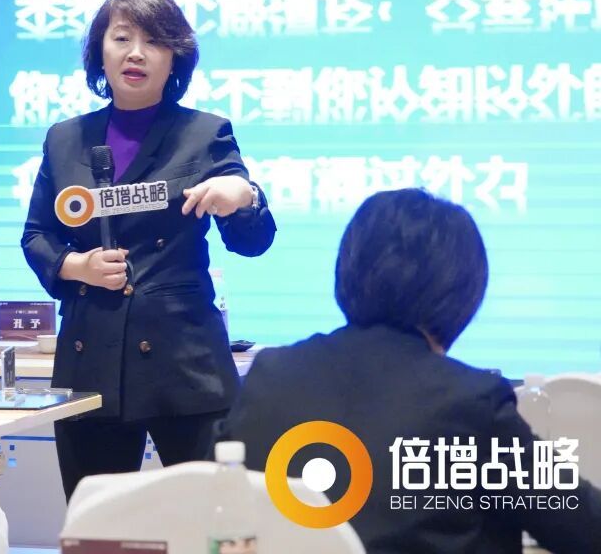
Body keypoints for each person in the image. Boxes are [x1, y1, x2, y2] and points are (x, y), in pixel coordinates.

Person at [216, 188, 601, 553]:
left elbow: (202, 497)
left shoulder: (268, 377)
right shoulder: (472, 401)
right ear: (461, 291)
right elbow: (585, 527)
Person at [21, 0, 277, 500]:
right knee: (99, 525)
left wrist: (244, 196)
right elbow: (37, 235)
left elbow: (253, 241)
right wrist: (77, 266)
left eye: (154, 42)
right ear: (100, 53)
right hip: (91, 361)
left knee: (215, 518)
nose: (135, 53)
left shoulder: (205, 133)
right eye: (122, 39)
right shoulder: (65, 139)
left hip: (185, 363)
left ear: (174, 58)